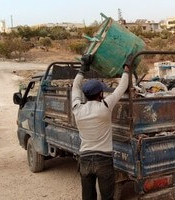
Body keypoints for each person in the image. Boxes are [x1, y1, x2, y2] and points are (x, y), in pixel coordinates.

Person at [72, 54, 131, 200]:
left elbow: (75, 87)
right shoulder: (105, 107)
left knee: (88, 197)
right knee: (107, 197)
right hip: (103, 159)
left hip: (85, 158)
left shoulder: (77, 109)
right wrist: (127, 67)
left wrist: (82, 69)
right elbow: (122, 87)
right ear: (100, 94)